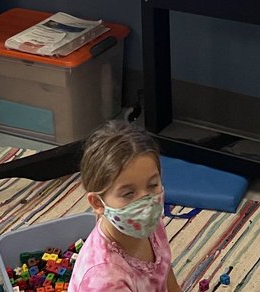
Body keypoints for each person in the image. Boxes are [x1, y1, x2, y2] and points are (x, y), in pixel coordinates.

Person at [69, 120, 180, 292]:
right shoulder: (104, 279)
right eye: (128, 193)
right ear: (98, 203)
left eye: (152, 185)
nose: (146, 203)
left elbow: (166, 274)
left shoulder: (151, 222)